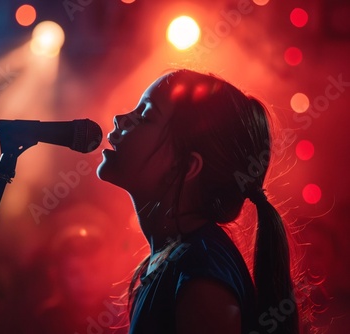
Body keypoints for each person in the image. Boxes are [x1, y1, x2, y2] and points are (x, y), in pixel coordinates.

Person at [97, 69, 303, 333]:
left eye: (145, 116)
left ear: (186, 166)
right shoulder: (178, 261)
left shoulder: (202, 276)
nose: (119, 119)